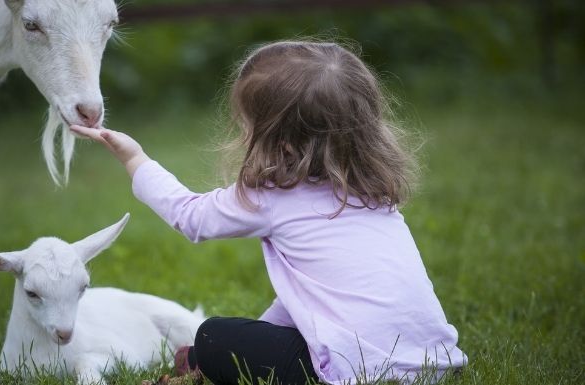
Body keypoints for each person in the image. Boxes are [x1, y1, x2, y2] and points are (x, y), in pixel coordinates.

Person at [70, 40, 466, 385]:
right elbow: (312, 302)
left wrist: (134, 158)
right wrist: (260, 334)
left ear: (283, 145)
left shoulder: (273, 198)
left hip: (356, 369)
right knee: (242, 338)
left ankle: (200, 362)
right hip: (432, 362)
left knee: (212, 337)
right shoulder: (375, 197)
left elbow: (190, 216)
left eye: (247, 127)